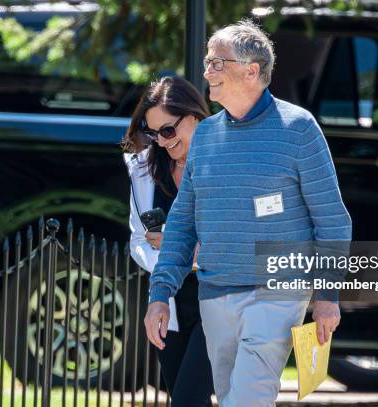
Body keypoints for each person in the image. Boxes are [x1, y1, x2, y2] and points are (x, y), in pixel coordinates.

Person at [144, 20, 352, 406]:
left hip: (278, 291)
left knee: (247, 399)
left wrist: (327, 294)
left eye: (216, 63)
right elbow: (183, 222)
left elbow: (332, 219)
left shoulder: (299, 129)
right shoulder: (205, 136)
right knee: (229, 397)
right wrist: (161, 293)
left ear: (251, 71)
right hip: (216, 295)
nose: (207, 72)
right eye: (207, 62)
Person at [122, 76, 214, 407]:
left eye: (168, 131)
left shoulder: (224, 163)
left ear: (195, 116)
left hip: (219, 302)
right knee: (183, 397)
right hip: (169, 305)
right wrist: (169, 261)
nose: (161, 141)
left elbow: (242, 238)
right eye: (153, 133)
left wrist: (181, 248)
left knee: (189, 400)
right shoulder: (143, 171)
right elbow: (138, 241)